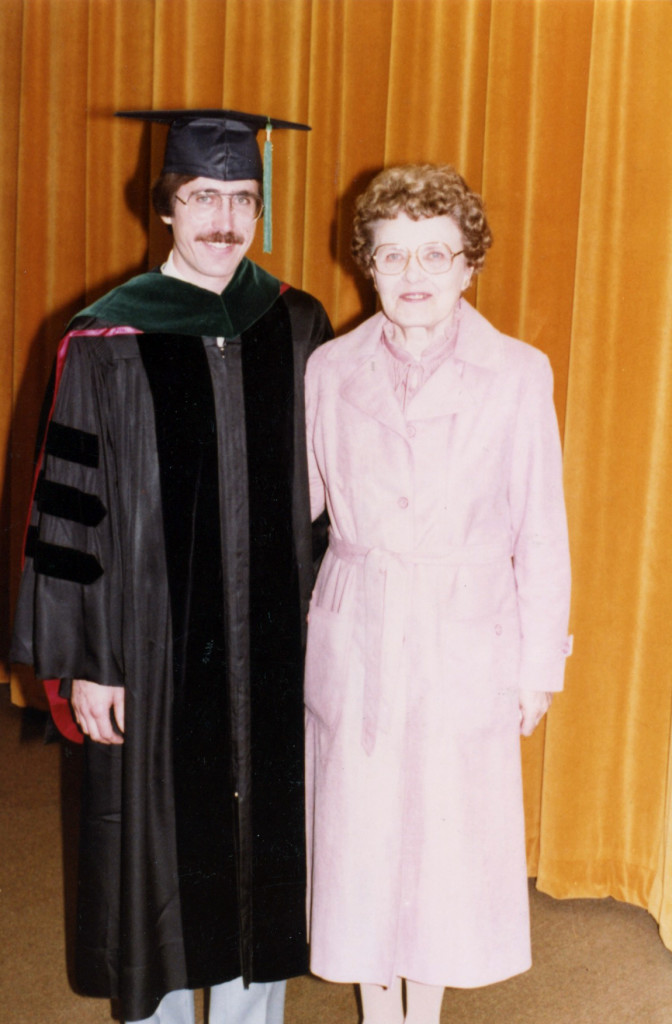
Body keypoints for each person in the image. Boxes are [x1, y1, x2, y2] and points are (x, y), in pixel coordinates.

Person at [11, 109, 332, 1024]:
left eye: (242, 198)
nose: (224, 219)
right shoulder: (106, 341)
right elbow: (65, 514)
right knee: (154, 850)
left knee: (265, 854)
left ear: (261, 208)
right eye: (202, 197)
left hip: (274, 650)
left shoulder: (295, 322)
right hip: (149, 653)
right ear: (163, 209)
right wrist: (83, 664)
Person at [303, 164, 572, 1024]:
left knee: (443, 849)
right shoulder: (327, 369)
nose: (413, 276)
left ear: (468, 266)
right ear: (367, 266)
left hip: (465, 632)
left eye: (435, 255)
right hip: (357, 623)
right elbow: (291, 511)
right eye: (393, 256)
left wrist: (537, 666)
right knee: (360, 842)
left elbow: (542, 529)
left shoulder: (519, 373)